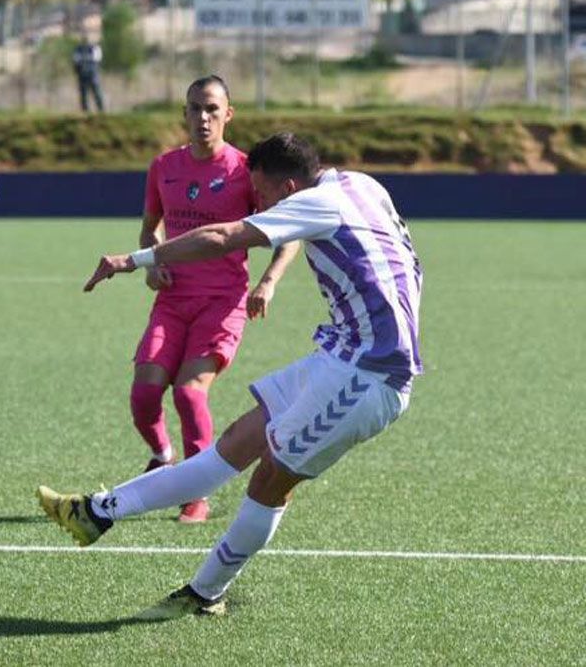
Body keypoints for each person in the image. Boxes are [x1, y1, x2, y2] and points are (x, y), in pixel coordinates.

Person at [38, 131, 422, 618]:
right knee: (235, 444)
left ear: (286, 187)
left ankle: (204, 593)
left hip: (369, 374)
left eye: (259, 195)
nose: (256, 203)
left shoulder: (318, 203)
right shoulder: (362, 185)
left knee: (269, 481)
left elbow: (222, 236)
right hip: (340, 356)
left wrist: (132, 260)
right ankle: (95, 513)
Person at [128, 75, 299, 523]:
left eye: (211, 109)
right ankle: (163, 456)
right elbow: (150, 228)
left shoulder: (245, 172)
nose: (202, 118)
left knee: (188, 393)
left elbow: (290, 232)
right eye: (194, 109)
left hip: (221, 303)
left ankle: (196, 493)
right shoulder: (163, 166)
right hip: (172, 299)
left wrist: (269, 282)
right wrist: (151, 262)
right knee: (145, 394)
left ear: (228, 113)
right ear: (183, 114)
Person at [72, 35, 105, 113]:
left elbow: (97, 61)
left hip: (90, 74)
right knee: (85, 94)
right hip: (86, 74)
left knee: (95, 93)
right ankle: (86, 111)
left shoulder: (93, 48)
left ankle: (100, 110)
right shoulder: (79, 49)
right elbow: (76, 62)